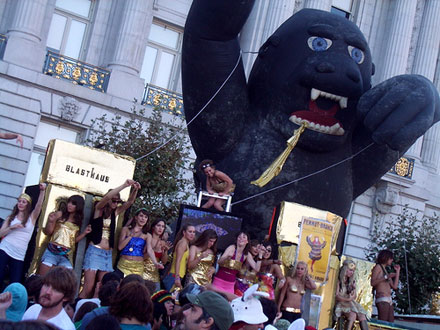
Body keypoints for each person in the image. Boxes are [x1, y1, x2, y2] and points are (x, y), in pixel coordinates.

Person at [80, 179, 140, 298]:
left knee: (104, 287)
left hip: (107, 254)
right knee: (88, 288)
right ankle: (77, 310)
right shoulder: (99, 209)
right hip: (95, 251)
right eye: (114, 201)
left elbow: (129, 202)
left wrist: (135, 190)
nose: (116, 203)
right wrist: (124, 185)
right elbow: (107, 197)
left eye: (118, 201)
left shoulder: (115, 213)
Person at [0, 183, 46, 285]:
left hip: (19, 254)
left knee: (15, 281)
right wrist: (11, 227)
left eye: (23, 202)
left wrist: (42, 191)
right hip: (5, 248)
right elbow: (1, 233)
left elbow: (39, 206)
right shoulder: (11, 217)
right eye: (19, 201)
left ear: (28, 205)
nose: (20, 204)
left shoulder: (31, 217)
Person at [39, 195, 90, 275]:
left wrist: (84, 233)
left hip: (67, 255)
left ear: (78, 206)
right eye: (69, 202)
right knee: (43, 279)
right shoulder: (60, 214)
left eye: (73, 203)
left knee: (62, 283)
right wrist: (50, 221)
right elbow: (48, 232)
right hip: (52, 251)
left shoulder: (78, 221)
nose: (69, 205)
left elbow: (73, 240)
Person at [334, 259, 369, 330]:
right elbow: (337, 296)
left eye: (353, 271)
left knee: (362, 315)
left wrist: (353, 289)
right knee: (353, 315)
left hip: (350, 303)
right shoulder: (339, 281)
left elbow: (354, 296)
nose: (352, 272)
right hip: (341, 304)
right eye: (350, 270)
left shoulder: (351, 282)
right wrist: (348, 299)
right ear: (345, 270)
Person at [116, 209, 149, 277]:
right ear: (136, 217)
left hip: (137, 267)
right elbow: (120, 247)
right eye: (141, 216)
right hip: (123, 264)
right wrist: (130, 236)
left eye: (146, 217)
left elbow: (148, 251)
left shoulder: (147, 235)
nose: (143, 219)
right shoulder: (125, 229)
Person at [163, 223, 195, 291]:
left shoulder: (185, 243)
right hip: (174, 276)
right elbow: (178, 260)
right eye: (190, 231)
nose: (192, 234)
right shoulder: (183, 243)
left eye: (194, 232)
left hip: (177, 275)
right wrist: (177, 278)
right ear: (184, 232)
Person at [371, 250, 400, 322]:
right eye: (390, 258)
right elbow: (372, 282)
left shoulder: (385, 270)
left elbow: (394, 286)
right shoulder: (378, 267)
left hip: (389, 298)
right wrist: (386, 277)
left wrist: (397, 272)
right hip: (382, 298)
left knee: (390, 322)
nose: (392, 260)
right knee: (383, 322)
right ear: (386, 258)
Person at [143, 219, 169, 291]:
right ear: (153, 227)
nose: (161, 228)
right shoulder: (148, 238)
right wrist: (153, 250)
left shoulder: (163, 242)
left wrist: (166, 251)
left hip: (155, 275)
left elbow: (164, 262)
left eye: (163, 226)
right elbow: (141, 258)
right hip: (143, 273)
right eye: (158, 225)